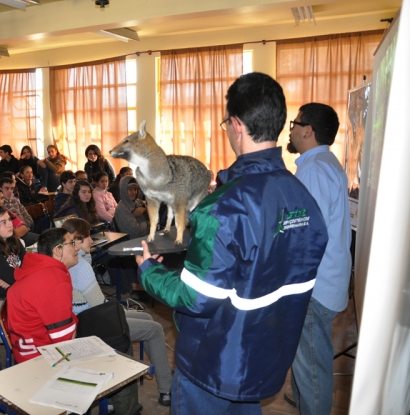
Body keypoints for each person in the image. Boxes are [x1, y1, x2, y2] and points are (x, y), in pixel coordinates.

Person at [134, 72, 329, 414]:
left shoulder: (222, 207)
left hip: (213, 363)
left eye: (226, 123)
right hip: (263, 357)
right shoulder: (302, 197)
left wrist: (149, 270)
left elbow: (195, 298)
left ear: (236, 125)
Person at [61, 218, 173, 406]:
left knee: (145, 317)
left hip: (85, 317)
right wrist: (118, 309)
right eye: (87, 237)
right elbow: (99, 306)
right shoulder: (81, 267)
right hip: (94, 323)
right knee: (154, 328)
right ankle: (166, 388)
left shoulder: (73, 262)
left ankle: (163, 372)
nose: (91, 240)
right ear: (75, 242)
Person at [286, 103, 352, 415]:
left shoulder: (313, 170)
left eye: (294, 123)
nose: (291, 129)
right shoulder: (326, 163)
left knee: (312, 369)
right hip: (325, 281)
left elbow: (304, 235)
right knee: (308, 362)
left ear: (307, 130)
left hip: (313, 287)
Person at [6, 228, 77, 363]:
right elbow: (64, 340)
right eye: (72, 243)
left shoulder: (39, 269)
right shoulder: (54, 280)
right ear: (58, 250)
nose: (77, 247)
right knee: (110, 334)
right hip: (40, 358)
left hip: (26, 350)